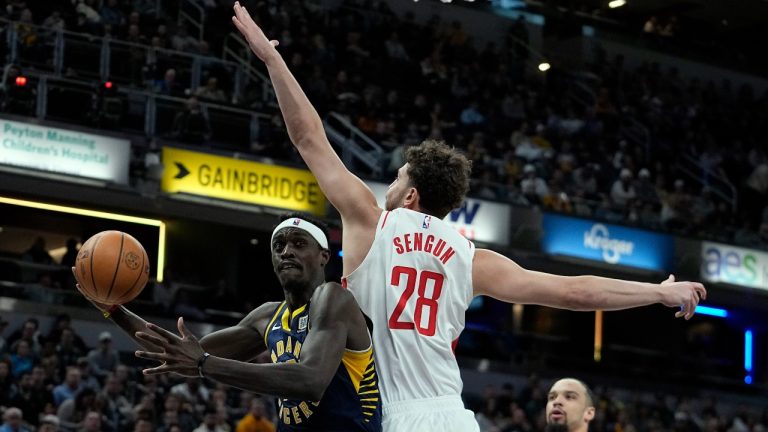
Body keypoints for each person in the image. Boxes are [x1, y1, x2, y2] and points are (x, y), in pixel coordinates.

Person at [230, 4, 708, 431]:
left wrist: (273, 60)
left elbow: (308, 138)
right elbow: (573, 292)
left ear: (411, 194)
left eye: (396, 178)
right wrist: (658, 291)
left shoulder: (370, 222)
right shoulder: (471, 258)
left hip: (392, 413)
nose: (388, 186)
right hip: (452, 414)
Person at [73, 213, 382, 431]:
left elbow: (310, 381)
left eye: (299, 244)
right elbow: (182, 354)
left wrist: (205, 363)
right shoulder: (267, 316)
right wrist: (114, 310)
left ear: (324, 256)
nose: (286, 251)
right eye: (279, 246)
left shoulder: (334, 299)